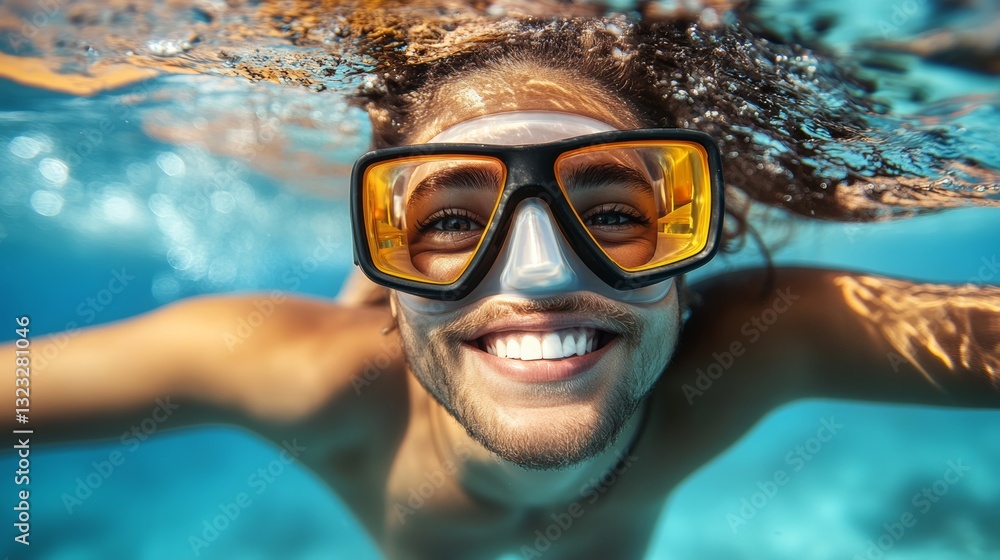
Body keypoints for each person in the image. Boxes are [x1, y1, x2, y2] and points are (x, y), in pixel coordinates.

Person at [6, 8, 1000, 560]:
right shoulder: (295, 372)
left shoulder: (760, 342)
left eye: (611, 213)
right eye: (448, 219)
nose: (542, 271)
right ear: (379, 263)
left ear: (696, 234)